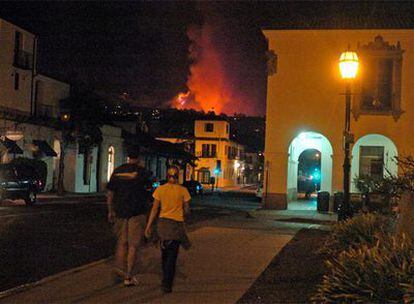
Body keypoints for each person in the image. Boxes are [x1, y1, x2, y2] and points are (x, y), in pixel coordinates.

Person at [106, 146, 152, 287]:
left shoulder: (118, 171)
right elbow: (149, 193)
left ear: (128, 156)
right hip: (136, 212)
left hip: (120, 211)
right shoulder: (142, 172)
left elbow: (110, 193)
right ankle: (128, 276)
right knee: (133, 245)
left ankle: (119, 267)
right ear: (138, 157)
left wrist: (110, 210)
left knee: (122, 241)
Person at [145, 166, 191, 294]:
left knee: (164, 253)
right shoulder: (183, 191)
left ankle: (165, 277)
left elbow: (154, 209)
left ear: (167, 176)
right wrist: (183, 210)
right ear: (177, 176)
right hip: (176, 225)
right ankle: (167, 283)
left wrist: (149, 225)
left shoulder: (160, 190)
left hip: (163, 224)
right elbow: (187, 210)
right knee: (173, 255)